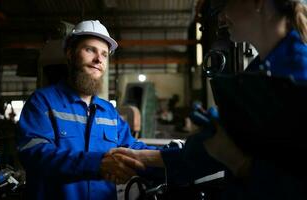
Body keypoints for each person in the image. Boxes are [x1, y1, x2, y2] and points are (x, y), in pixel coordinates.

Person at [110, 0, 307, 199]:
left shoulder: (296, 75)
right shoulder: (261, 71)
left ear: (257, 3)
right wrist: (140, 157)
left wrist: (238, 162)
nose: (221, 18)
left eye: (225, 6)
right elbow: (207, 156)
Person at [17, 20, 157, 200]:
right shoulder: (42, 102)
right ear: (70, 53)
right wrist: (96, 164)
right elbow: (34, 154)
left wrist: (174, 155)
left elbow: (132, 148)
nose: (99, 59)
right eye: (90, 50)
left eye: (104, 54)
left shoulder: (108, 112)